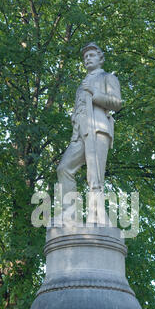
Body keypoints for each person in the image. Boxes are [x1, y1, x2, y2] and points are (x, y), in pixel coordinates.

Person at [57, 43, 122, 204]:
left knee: (95, 175)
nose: (87, 59)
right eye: (85, 57)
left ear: (100, 59)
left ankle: (97, 213)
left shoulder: (108, 77)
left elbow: (116, 103)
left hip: (98, 128)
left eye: (91, 55)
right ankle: (69, 213)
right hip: (79, 133)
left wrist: (95, 92)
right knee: (64, 168)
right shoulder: (81, 85)